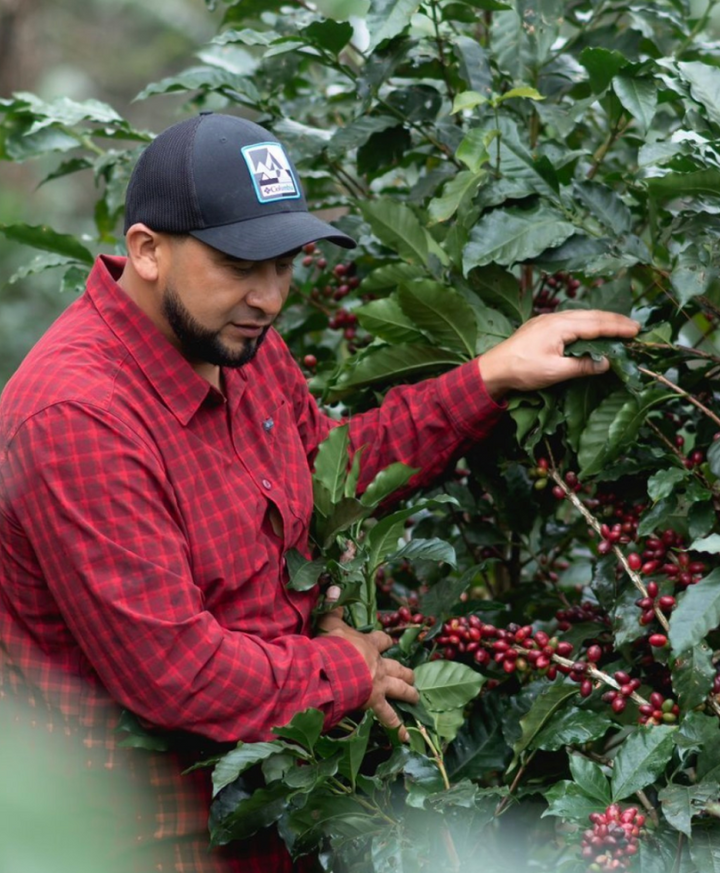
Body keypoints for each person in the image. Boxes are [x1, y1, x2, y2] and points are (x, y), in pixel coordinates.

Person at [0, 112, 639, 872]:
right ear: (146, 250)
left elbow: (328, 470)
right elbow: (176, 670)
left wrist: (489, 375)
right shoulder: (78, 417)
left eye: (285, 263)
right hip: (140, 833)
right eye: (241, 264)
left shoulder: (233, 343)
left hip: (274, 804)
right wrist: (346, 671)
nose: (269, 297)